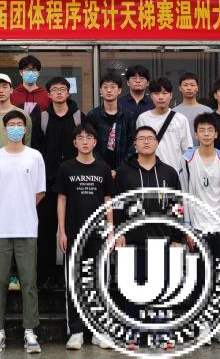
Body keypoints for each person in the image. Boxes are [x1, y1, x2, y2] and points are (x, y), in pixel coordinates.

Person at [0, 110, 47, 354]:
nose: (16, 128)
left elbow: (39, 192)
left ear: (26, 129)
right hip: (0, 228)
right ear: (4, 128)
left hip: (27, 226)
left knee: (29, 281)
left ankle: (30, 330)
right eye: (11, 124)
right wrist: (7, 208)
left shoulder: (35, 156)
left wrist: (23, 208)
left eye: (20, 124)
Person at [113, 126, 182, 349]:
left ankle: (162, 332)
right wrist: (119, 232)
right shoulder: (124, 172)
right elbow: (117, 206)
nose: (146, 142)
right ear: (135, 144)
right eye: (141, 138)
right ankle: (132, 333)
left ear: (157, 142)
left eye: (150, 138)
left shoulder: (169, 172)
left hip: (162, 240)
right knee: (132, 288)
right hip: (132, 240)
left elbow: (177, 206)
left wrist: (177, 237)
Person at [176, 113, 220, 347]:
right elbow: (183, 193)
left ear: (216, 134)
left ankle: (219, 325)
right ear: (195, 133)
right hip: (197, 228)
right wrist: (187, 227)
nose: (206, 134)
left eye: (210, 130)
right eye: (201, 130)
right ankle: (202, 326)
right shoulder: (187, 159)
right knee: (199, 279)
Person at [53, 123, 114, 351]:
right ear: (74, 142)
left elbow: (108, 200)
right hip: (74, 233)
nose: (85, 141)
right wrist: (62, 230)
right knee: (75, 282)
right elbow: (62, 200)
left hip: (98, 233)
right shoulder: (66, 168)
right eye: (80, 137)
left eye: (89, 137)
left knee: (99, 282)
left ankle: (99, 331)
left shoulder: (103, 168)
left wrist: (111, 229)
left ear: (95, 142)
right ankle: (76, 331)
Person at [31, 77, 83, 290]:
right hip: (48, 184)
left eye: (63, 89)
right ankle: (46, 276)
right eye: (55, 89)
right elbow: (35, 151)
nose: (59, 93)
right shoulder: (41, 118)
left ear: (68, 93)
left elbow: (86, 146)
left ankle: (71, 275)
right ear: (49, 95)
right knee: (45, 231)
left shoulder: (79, 117)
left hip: (74, 184)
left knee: (73, 230)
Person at [134, 77, 192, 173]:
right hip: (149, 172)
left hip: (175, 172)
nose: (160, 97)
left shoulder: (180, 119)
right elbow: (139, 148)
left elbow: (187, 150)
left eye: (165, 93)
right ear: (151, 96)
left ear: (171, 95)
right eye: (156, 93)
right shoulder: (143, 118)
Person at [86, 75, 135, 178]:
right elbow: (89, 144)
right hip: (97, 170)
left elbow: (132, 145)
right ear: (100, 90)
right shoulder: (93, 115)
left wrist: (119, 169)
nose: (109, 90)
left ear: (119, 90)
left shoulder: (128, 115)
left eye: (113, 87)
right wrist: (104, 168)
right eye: (105, 87)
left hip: (123, 171)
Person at [173, 73, 212, 141]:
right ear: (180, 88)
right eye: (185, 85)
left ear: (197, 88)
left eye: (192, 85)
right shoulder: (173, 112)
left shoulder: (207, 111)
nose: (189, 88)